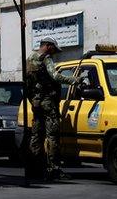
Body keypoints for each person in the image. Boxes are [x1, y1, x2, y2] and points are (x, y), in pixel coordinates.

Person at [25, 37, 83, 181]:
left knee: (36, 136)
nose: (54, 53)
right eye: (53, 49)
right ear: (48, 46)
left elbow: (27, 83)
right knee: (52, 136)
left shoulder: (29, 59)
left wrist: (32, 99)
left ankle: (35, 168)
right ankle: (53, 170)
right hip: (47, 102)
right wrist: (74, 81)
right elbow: (55, 76)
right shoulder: (46, 59)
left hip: (36, 102)